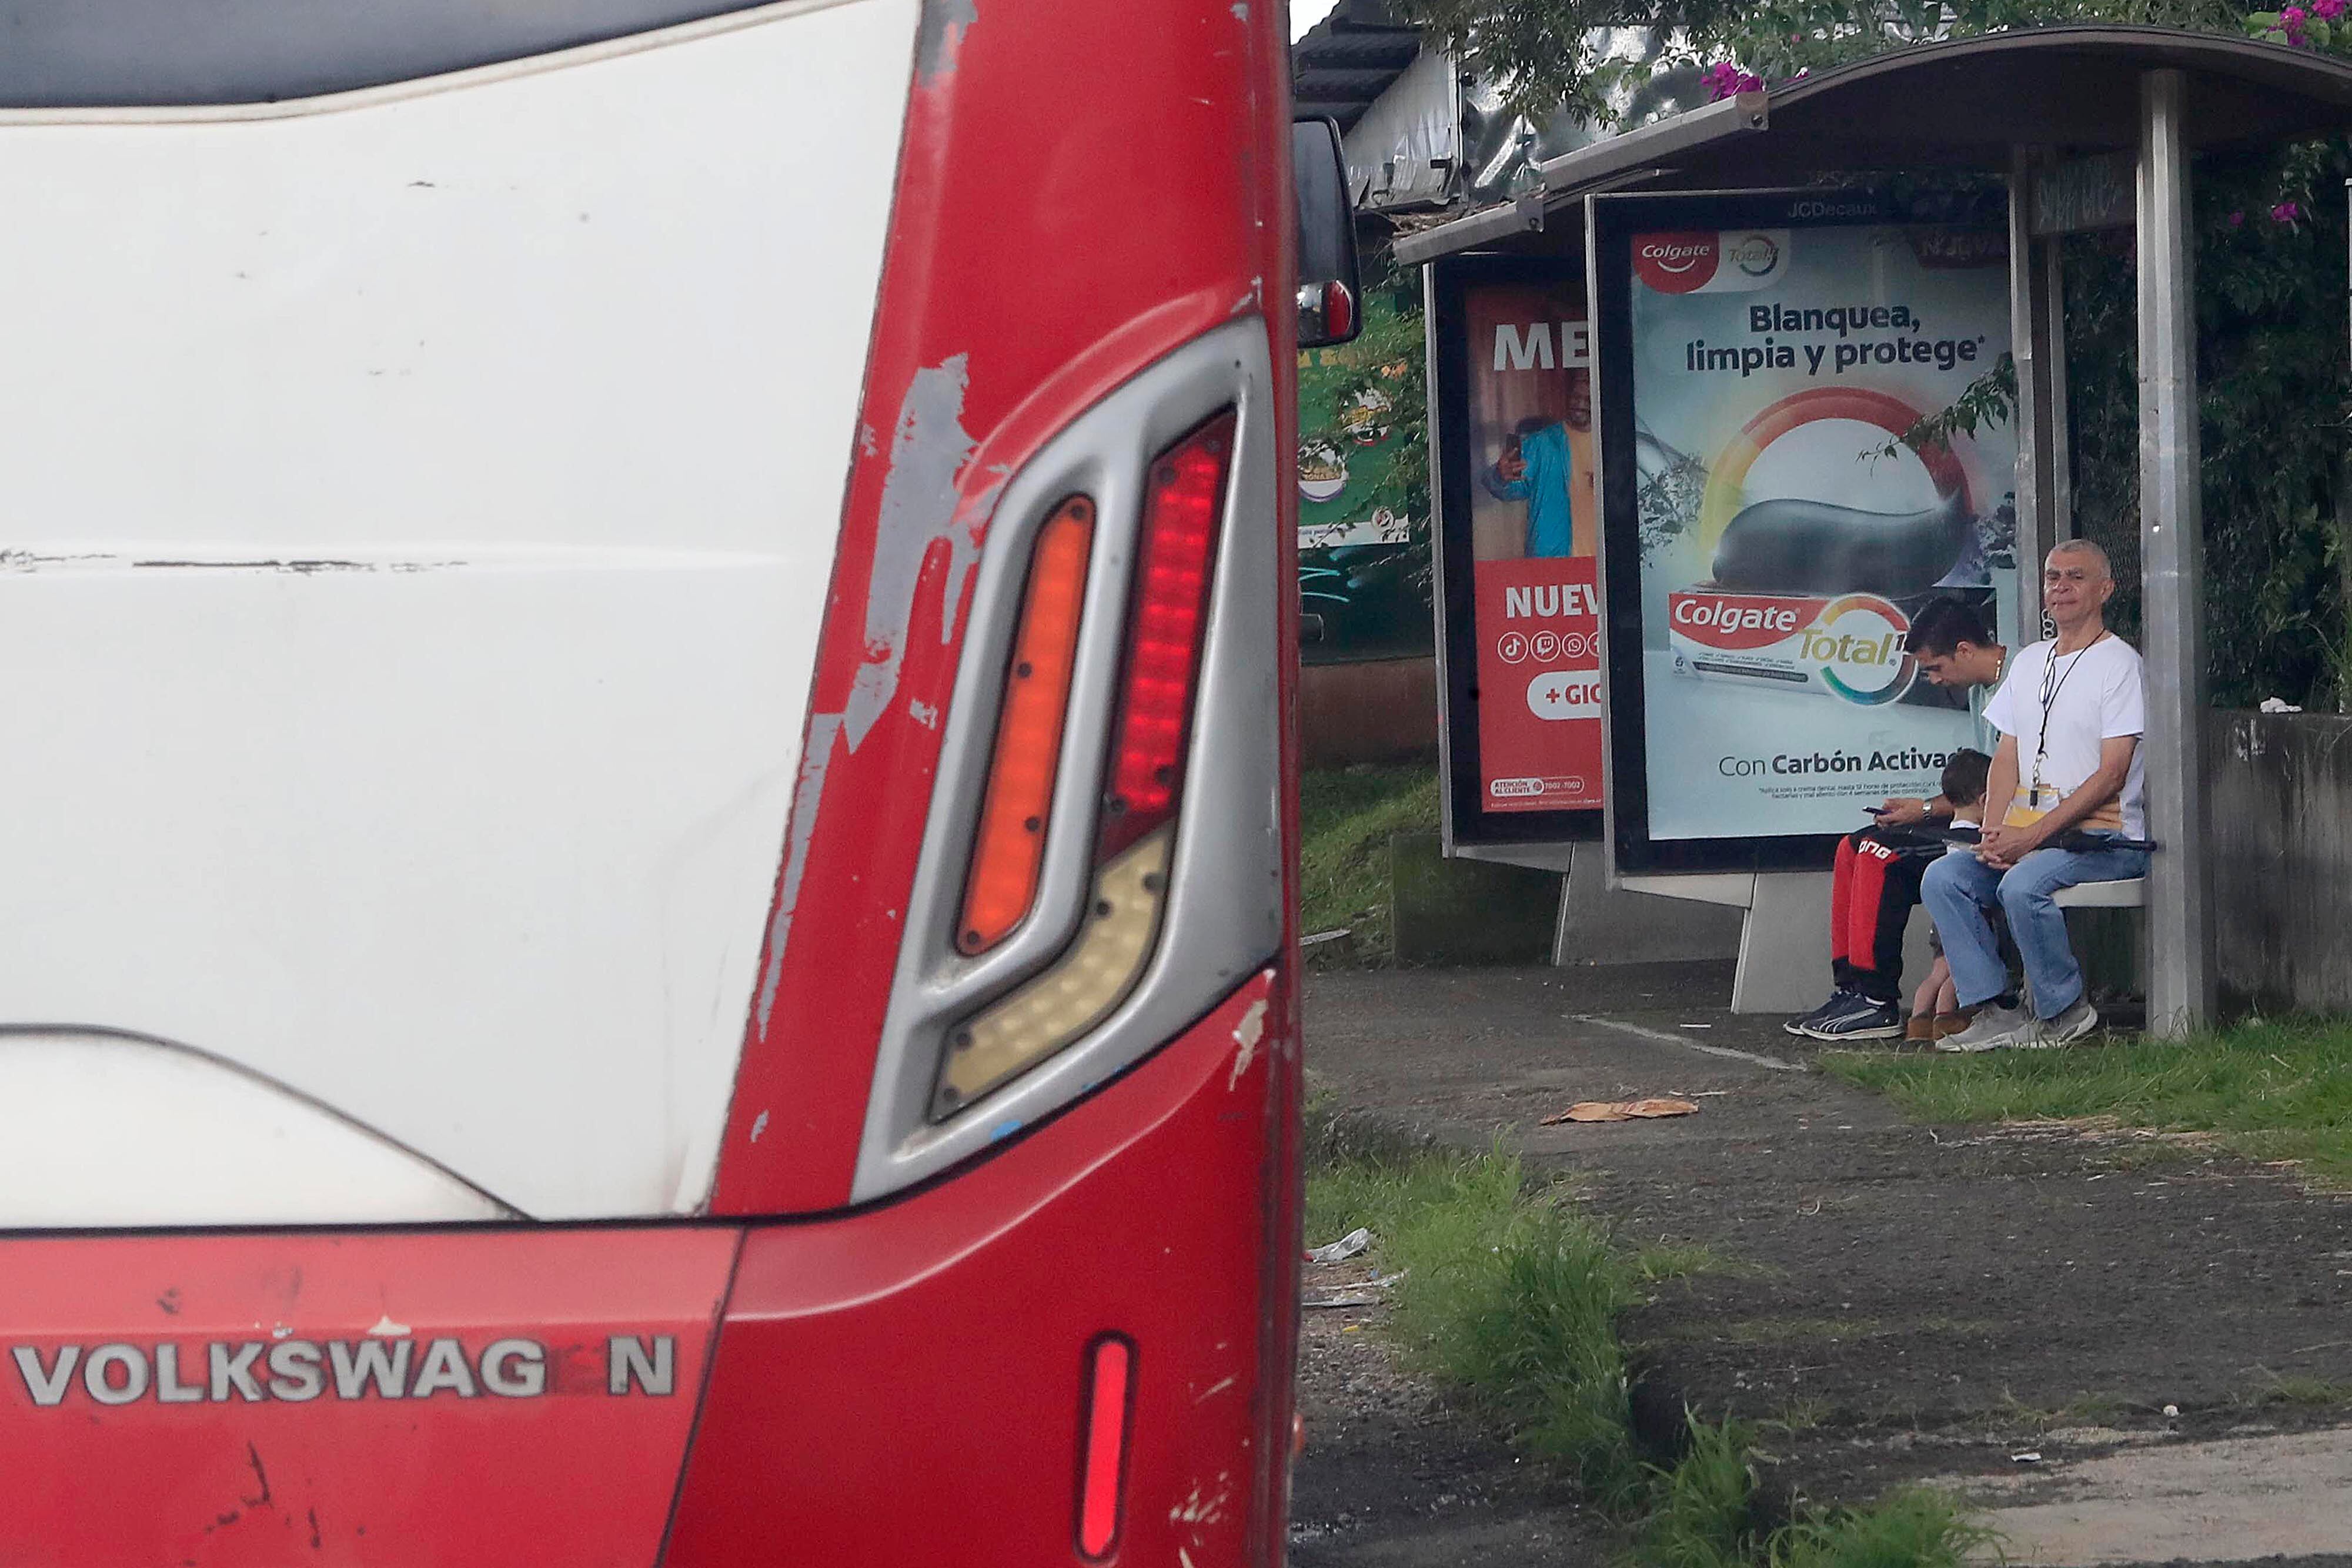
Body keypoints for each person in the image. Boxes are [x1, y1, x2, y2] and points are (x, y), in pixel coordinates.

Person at [1923, 539, 2150, 1052]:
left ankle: (2063, 1010)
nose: (2062, 587)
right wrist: (1994, 833)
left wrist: (2029, 840)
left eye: (2076, 576)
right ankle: (1998, 1009)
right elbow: (2006, 757)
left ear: (2105, 588)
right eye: (2053, 577)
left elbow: (2113, 773)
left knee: (2022, 885)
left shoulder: (2120, 664)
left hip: (2102, 840)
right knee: (1945, 875)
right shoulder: (2028, 661)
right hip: (2033, 835)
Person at [1786, 597, 2007, 1041]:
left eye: (1935, 668)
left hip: (2007, 826)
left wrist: (1929, 810)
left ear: (1965, 650)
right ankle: (1850, 987)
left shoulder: (2020, 683)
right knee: (1853, 846)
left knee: (1880, 853)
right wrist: (1922, 809)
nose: (1933, 679)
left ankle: (1876, 999)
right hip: (1978, 813)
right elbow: (1978, 785)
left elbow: (2003, 786)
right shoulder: (1980, 691)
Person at [1904, 747, 1992, 1042]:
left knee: (1936, 973)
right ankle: (1946, 1018)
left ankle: (1918, 1021)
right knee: (1959, 970)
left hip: (1940, 918)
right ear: (1985, 799)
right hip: (1965, 914)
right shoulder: (1976, 835)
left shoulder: (1952, 829)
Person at [1479, 370, 1592, 559]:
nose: (1580, 404)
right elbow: (1508, 487)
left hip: (1604, 568)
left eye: (1588, 398)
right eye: (1576, 397)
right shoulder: (1543, 443)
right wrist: (1500, 476)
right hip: (1551, 570)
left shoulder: (1612, 443)